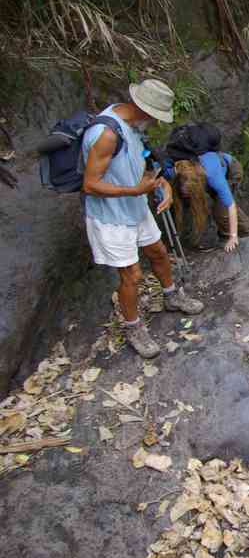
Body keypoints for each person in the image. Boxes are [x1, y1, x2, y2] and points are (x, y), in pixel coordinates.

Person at [81, 79, 204, 359]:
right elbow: (90, 184)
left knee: (159, 253)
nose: (156, 122)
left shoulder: (132, 128)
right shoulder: (106, 133)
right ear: (141, 109)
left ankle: (172, 295)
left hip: (136, 208)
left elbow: (142, 169)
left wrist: (164, 186)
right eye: (154, 115)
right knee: (132, 276)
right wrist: (135, 190)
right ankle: (134, 327)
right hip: (111, 218)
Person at [171, 131, 249, 253]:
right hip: (210, 170)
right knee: (220, 204)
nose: (186, 194)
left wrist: (232, 237)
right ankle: (229, 232)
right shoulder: (179, 170)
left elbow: (230, 206)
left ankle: (246, 233)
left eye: (189, 192)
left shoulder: (214, 178)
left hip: (230, 170)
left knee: (221, 211)